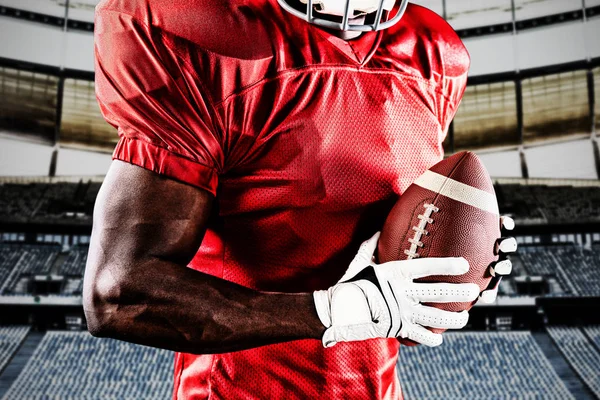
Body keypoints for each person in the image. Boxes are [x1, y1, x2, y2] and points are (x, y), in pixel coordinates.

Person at [84, 0, 516, 398]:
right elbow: (119, 291)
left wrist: (458, 272)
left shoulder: (433, 54)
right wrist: (336, 309)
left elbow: (388, 251)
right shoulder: (208, 38)